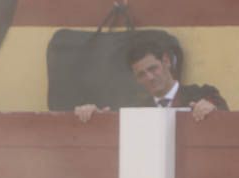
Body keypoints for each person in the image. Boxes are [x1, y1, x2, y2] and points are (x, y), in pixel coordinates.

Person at [76, 37, 226, 122]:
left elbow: (222, 113)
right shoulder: (137, 109)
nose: (150, 77)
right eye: (141, 74)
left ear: (166, 61)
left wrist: (211, 108)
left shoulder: (201, 94)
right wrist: (94, 116)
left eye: (153, 68)